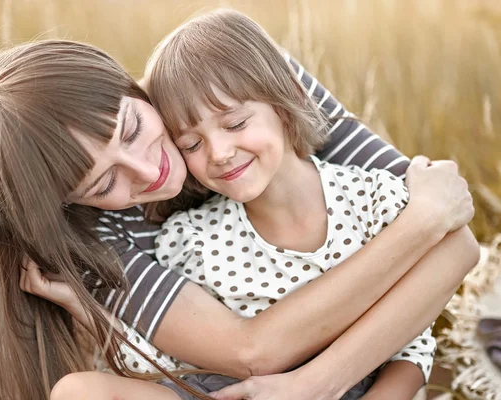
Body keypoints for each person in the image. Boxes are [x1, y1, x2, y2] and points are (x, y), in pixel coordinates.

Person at [0, 33, 477, 400]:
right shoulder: (93, 234)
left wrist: (324, 383)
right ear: (73, 202)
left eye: (133, 129)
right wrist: (422, 220)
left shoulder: (230, 89)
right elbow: (249, 354)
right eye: (103, 183)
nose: (147, 170)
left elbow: (456, 241)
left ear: (128, 86)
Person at [141, 9, 437, 399]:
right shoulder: (191, 240)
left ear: (287, 101)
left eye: (234, 124)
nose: (219, 152)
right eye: (191, 145)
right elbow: (160, 363)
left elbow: (413, 344)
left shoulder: (375, 202)